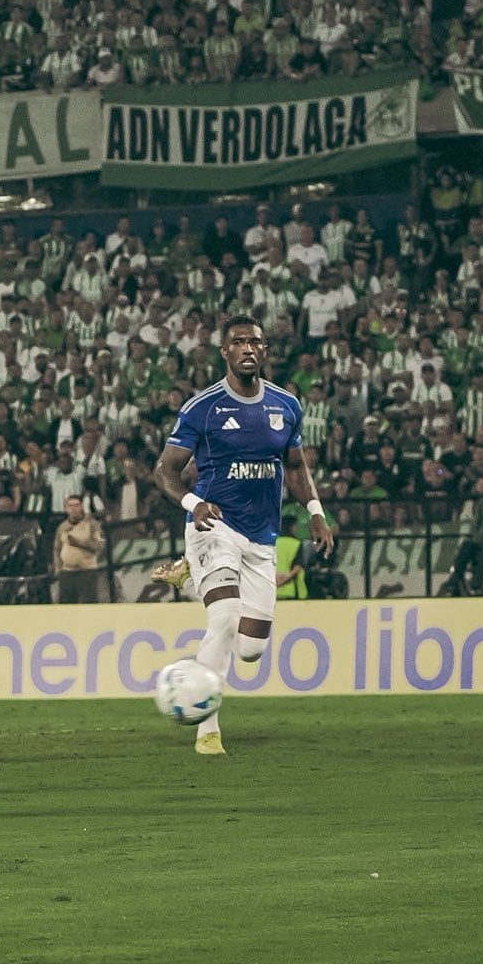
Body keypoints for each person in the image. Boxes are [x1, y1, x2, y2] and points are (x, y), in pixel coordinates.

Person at [150, 316, 332, 756]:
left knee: (250, 649)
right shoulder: (203, 407)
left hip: (261, 537)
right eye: (238, 342)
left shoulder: (286, 405)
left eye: (255, 341)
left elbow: (294, 466)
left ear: (264, 351)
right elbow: (164, 471)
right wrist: (194, 506)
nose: (248, 348)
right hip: (214, 527)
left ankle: (190, 579)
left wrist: (315, 511)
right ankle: (206, 729)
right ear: (225, 352)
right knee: (225, 617)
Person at [52, 495, 105, 603]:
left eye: (76, 505)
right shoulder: (62, 527)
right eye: (70, 505)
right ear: (65, 509)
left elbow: (101, 545)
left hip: (86, 573)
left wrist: (79, 543)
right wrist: (58, 568)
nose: (73, 509)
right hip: (66, 573)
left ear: (81, 507)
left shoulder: (92, 524)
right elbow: (57, 548)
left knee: (88, 607)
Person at [273, 513, 308, 600]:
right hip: (292, 590)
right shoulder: (297, 544)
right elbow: (298, 565)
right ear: (292, 527)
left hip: (272, 590)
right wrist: (286, 578)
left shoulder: (272, 543)